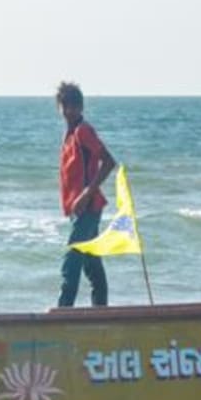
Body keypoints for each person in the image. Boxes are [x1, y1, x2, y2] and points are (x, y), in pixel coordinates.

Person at [56, 82, 116, 307]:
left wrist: (85, 194)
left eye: (74, 107)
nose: (69, 111)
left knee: (72, 260)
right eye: (65, 107)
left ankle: (63, 312)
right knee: (92, 264)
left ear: (81, 108)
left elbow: (108, 162)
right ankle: (101, 312)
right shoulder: (69, 134)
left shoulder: (83, 131)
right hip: (80, 210)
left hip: (88, 208)